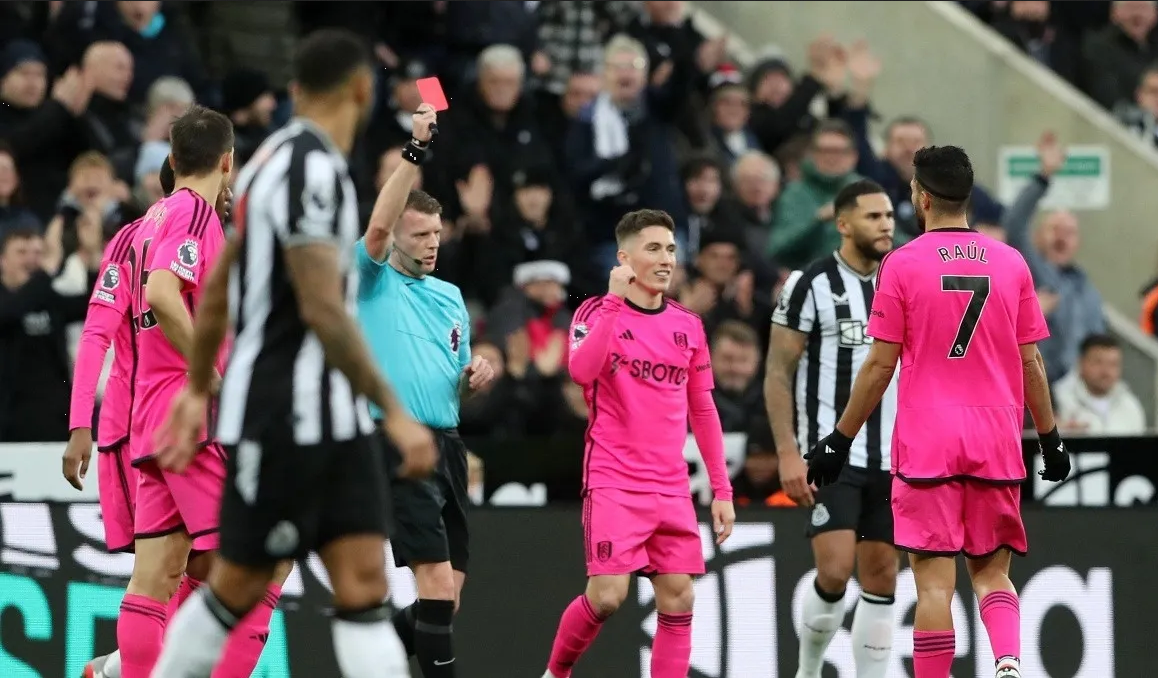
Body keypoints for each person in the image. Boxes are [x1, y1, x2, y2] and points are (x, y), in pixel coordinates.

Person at [149, 29, 437, 678]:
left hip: (325, 416)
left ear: (297, 91)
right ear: (363, 90)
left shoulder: (265, 163)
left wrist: (197, 389)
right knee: (237, 588)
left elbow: (221, 280)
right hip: (287, 412)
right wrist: (393, 411)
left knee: (364, 582)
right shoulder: (313, 170)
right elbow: (319, 304)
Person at [803, 145, 1071, 678]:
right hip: (995, 435)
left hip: (927, 441)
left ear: (921, 197)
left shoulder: (900, 265)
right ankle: (1010, 662)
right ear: (967, 196)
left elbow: (880, 366)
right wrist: (1051, 438)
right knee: (993, 575)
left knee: (932, 584)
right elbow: (1032, 363)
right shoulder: (1010, 261)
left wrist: (839, 438)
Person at [108, 105, 289, 678]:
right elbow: (164, 292)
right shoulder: (193, 213)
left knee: (158, 574)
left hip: (149, 416)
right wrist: (207, 369)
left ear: (172, 160)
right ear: (228, 162)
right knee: (263, 564)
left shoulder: (153, 216)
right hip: (191, 415)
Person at [539, 209, 736, 678]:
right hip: (614, 479)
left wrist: (722, 490)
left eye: (670, 248)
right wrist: (610, 302)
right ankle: (557, 673)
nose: (666, 258)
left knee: (679, 595)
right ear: (624, 258)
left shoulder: (688, 325)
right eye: (654, 249)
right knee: (607, 597)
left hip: (670, 485)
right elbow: (581, 372)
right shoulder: (595, 312)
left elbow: (703, 411)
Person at [357, 104, 496, 677]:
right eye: (419, 235)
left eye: (437, 233)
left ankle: (367, 657)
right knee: (435, 584)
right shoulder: (370, 279)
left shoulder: (450, 296)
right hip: (397, 441)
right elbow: (378, 227)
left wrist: (477, 374)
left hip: (449, 445)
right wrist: (415, 150)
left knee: (446, 599)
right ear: (396, 239)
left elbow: (455, 384)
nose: (431, 244)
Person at [765, 179, 899, 678]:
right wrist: (787, 453)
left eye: (888, 216)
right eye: (873, 217)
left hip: (893, 457)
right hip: (830, 455)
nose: (885, 225)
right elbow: (777, 372)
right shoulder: (809, 284)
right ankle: (808, 668)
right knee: (836, 568)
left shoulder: (902, 283)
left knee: (883, 574)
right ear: (843, 224)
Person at [65, 158, 173, 678]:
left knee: (196, 575)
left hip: (195, 432)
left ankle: (108, 670)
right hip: (137, 433)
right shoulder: (131, 240)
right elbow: (96, 333)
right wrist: (79, 423)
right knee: (160, 574)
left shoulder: (218, 238)